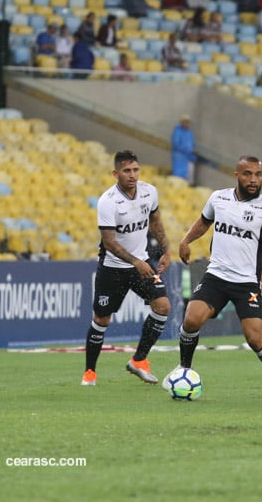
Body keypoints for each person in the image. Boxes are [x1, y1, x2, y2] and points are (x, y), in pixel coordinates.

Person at [162, 156, 262, 400]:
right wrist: (186, 240)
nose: (254, 179)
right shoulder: (218, 198)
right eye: (248, 174)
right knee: (191, 320)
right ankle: (184, 369)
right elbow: (204, 222)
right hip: (217, 275)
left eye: (258, 174)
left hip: (246, 283)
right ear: (237, 175)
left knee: (255, 338)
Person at [81, 150, 172, 386]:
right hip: (113, 268)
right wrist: (136, 262)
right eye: (127, 171)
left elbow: (156, 221)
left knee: (162, 306)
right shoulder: (108, 201)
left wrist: (165, 250)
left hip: (140, 264)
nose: (132, 175)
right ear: (116, 173)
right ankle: (89, 372)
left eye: (135, 170)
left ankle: (139, 360)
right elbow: (109, 242)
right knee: (102, 319)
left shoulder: (149, 192)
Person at [171, 115, 196, 184]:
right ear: (182, 122)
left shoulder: (189, 133)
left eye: (188, 122)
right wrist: (188, 150)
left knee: (188, 175)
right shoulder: (178, 132)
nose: (186, 124)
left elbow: (192, 144)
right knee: (178, 176)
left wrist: (192, 152)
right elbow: (176, 144)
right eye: (185, 122)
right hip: (180, 157)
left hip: (189, 157)